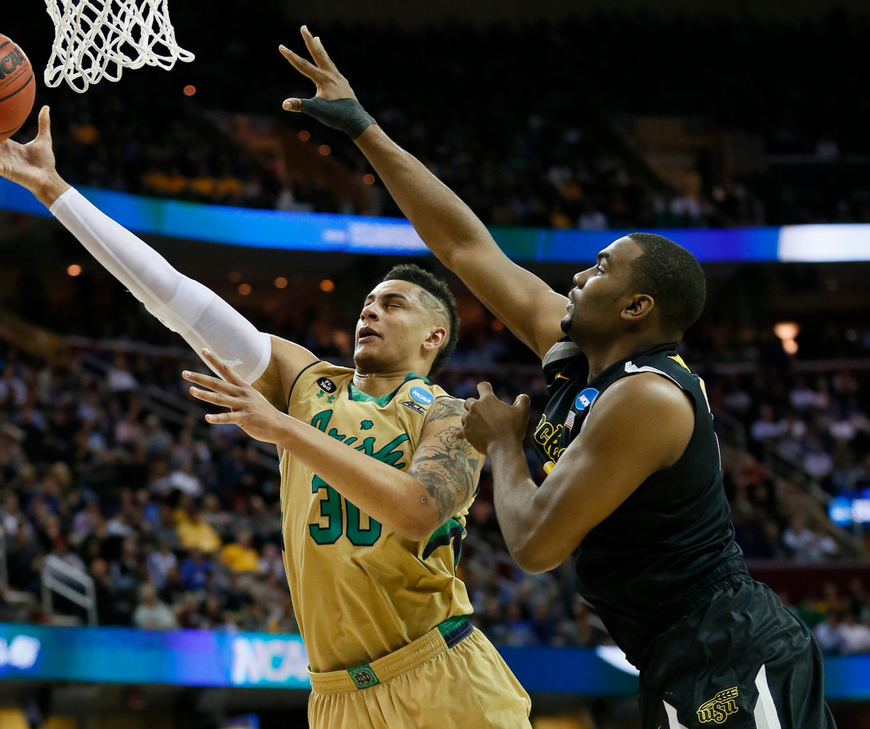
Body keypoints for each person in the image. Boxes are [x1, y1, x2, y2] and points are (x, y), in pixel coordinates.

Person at [276, 24, 837, 729]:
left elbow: (537, 543)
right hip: (674, 652)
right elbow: (461, 243)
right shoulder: (576, 350)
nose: (578, 274)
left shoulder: (649, 398)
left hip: (730, 648)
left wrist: (505, 440)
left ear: (637, 307)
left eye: (601, 268)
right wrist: (363, 129)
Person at [0, 99, 531, 729]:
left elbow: (417, 511)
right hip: (336, 696)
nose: (369, 312)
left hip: (441, 674)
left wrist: (283, 428)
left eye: (392, 305)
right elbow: (174, 295)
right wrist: (55, 191)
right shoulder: (308, 381)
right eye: (366, 303)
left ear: (434, 337)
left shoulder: (453, 417)